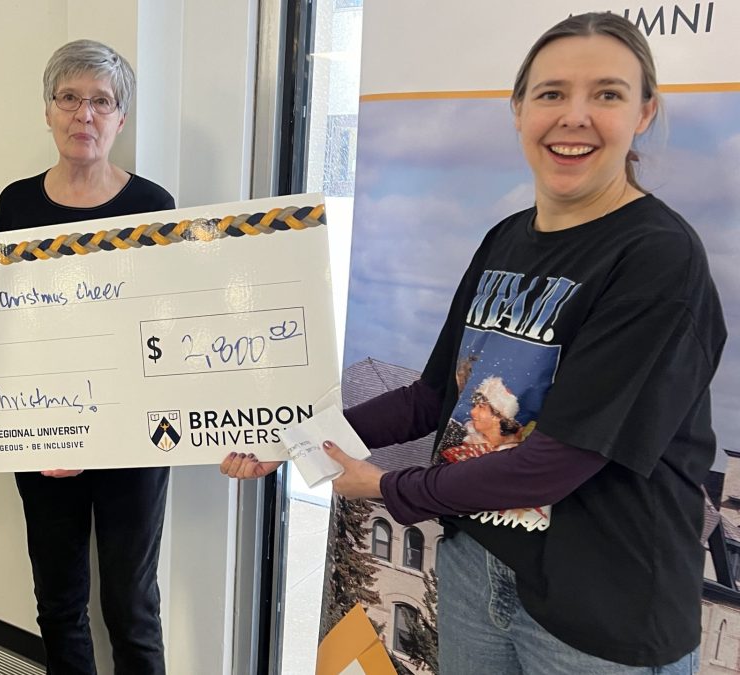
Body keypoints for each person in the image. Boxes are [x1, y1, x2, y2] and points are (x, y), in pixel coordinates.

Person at [223, 12, 725, 673]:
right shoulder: (506, 238)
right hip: (476, 567)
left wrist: (383, 484)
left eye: (606, 94)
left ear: (644, 113)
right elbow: (432, 399)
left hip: (601, 609)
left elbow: (556, 462)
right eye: (550, 94)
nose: (574, 115)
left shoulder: (657, 258)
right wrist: (292, 434)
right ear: (518, 111)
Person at [0, 39, 174, 675]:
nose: (84, 115)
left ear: (120, 119)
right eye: (69, 98)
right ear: (48, 111)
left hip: (132, 440)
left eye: (101, 101)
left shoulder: (154, 207)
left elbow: (164, 332)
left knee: (130, 604)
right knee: (59, 603)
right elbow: (1, 323)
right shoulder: (15, 205)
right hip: (42, 434)